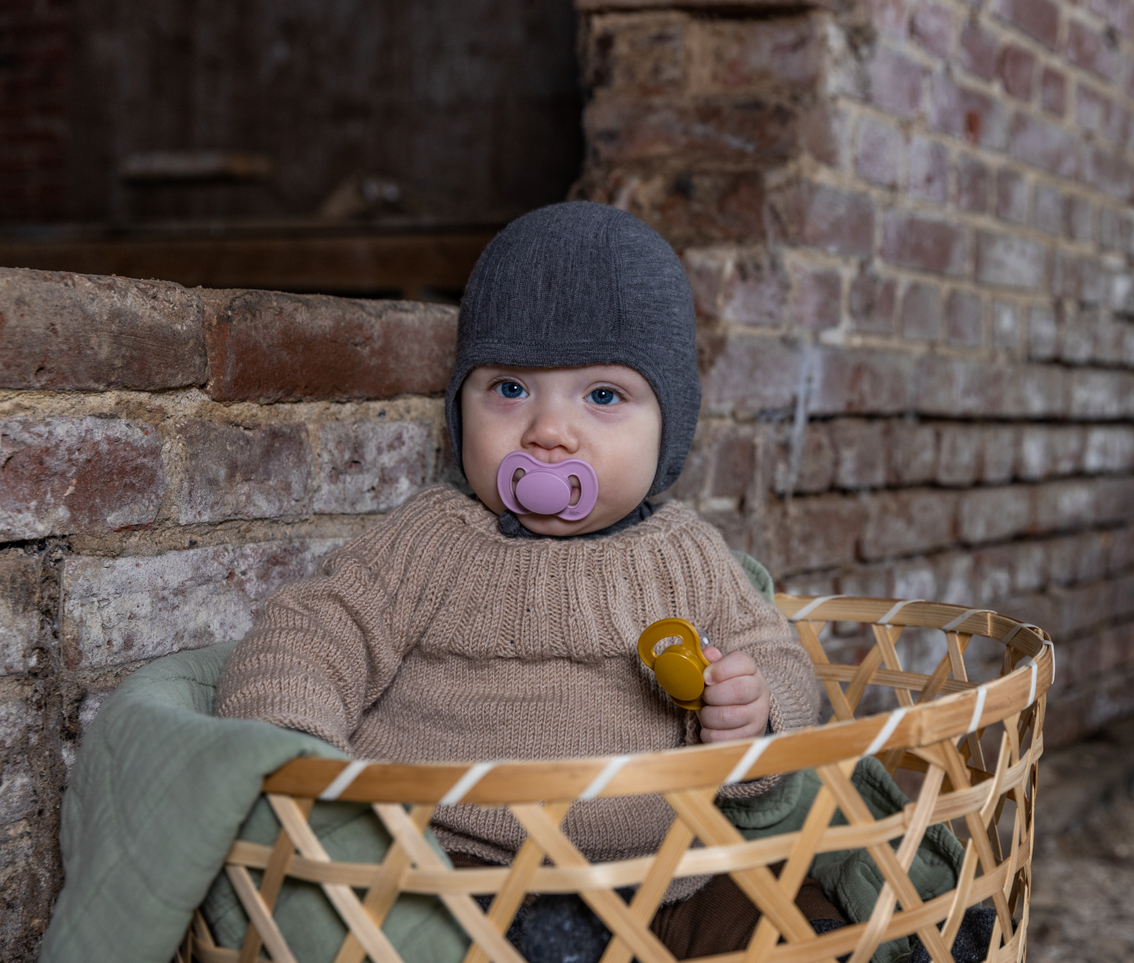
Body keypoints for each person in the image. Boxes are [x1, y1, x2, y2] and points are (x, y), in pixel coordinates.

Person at [214, 201, 846, 960]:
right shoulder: (429, 540)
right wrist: (299, 751)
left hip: (670, 879)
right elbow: (311, 631)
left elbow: (775, 655)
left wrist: (753, 710)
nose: (548, 429)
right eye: (509, 388)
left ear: (667, 428)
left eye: (603, 396)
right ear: (459, 410)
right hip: (466, 873)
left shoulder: (690, 555)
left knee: (805, 916)